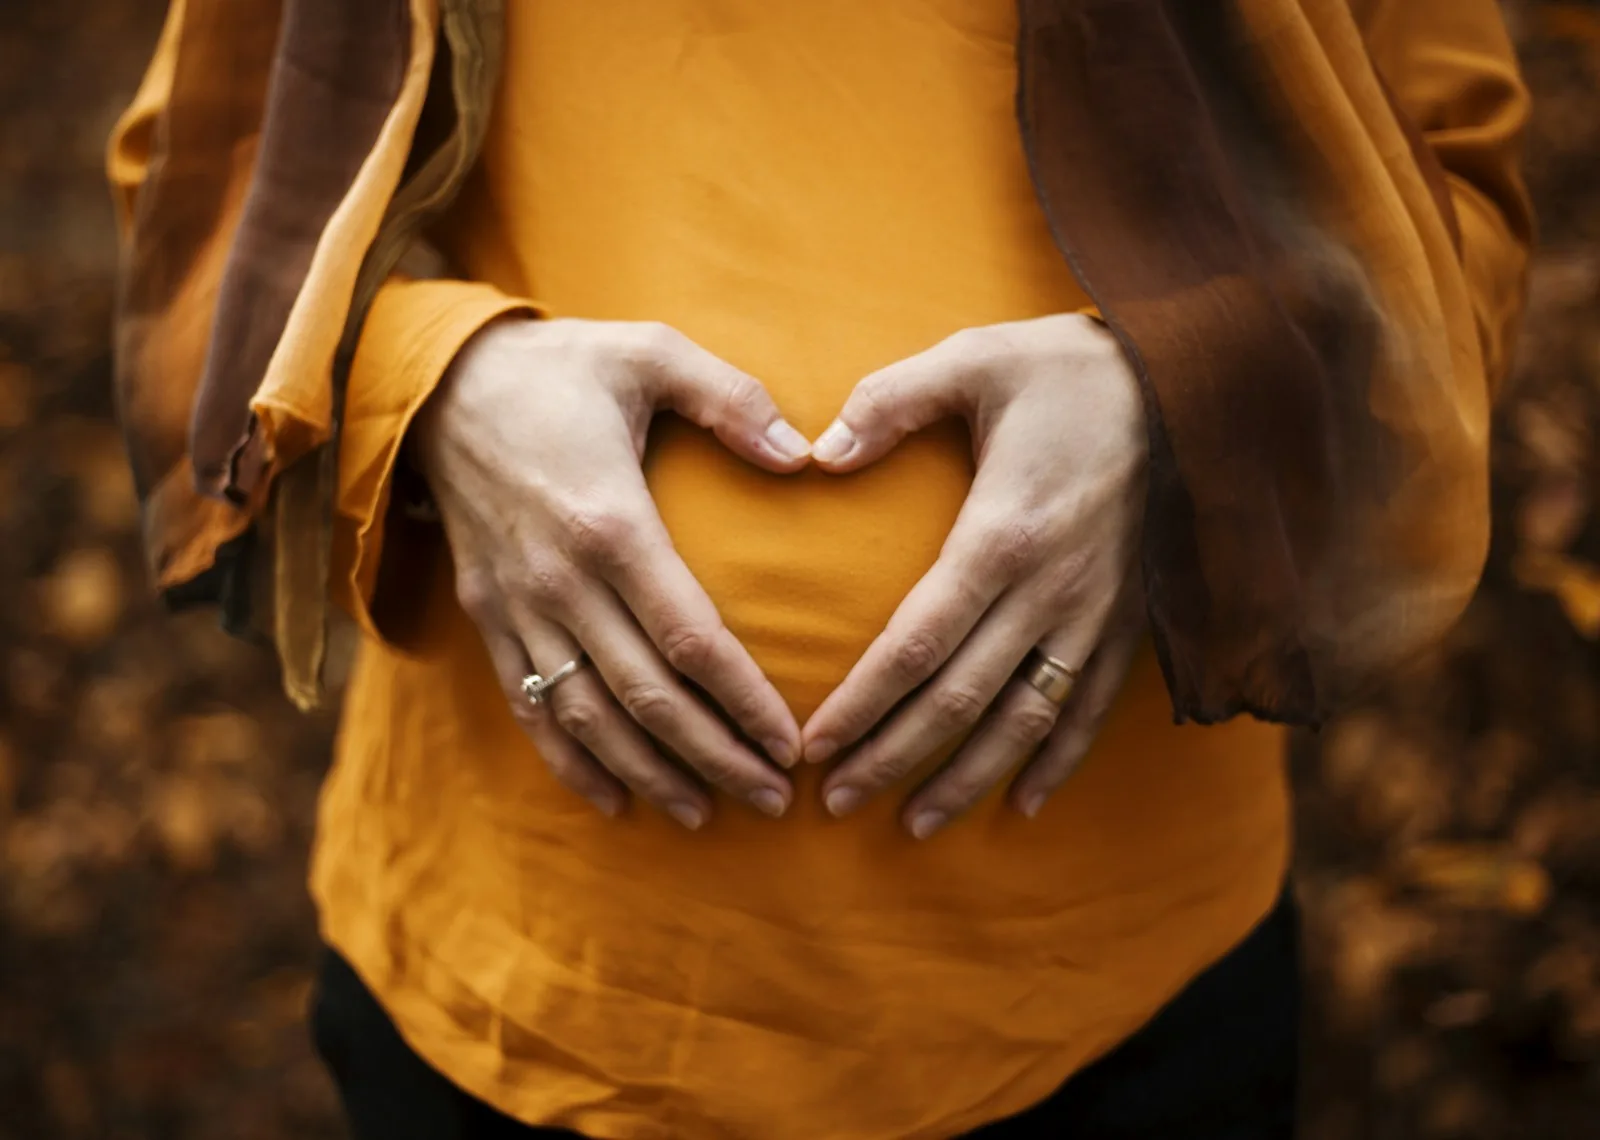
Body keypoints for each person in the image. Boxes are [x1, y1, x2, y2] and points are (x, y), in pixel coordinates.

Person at [108, 1, 1531, 1137]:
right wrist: (431, 387)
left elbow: (1448, 219)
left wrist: (1177, 398)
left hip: (1115, 1008)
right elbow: (212, 199)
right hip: (514, 999)